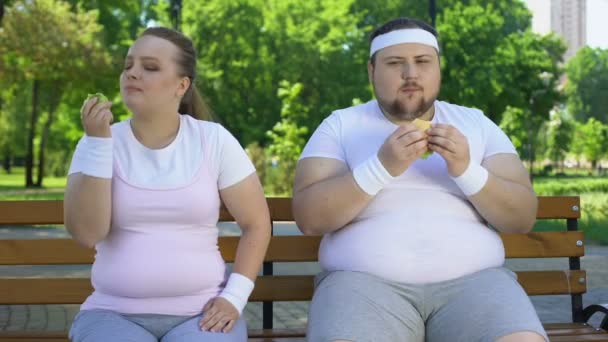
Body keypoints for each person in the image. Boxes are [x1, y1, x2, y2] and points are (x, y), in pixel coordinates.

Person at [293, 17, 546, 342]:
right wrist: (380, 167)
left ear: (438, 68)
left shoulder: (477, 124)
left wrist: (467, 170)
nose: (411, 74)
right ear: (371, 70)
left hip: (476, 285)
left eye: (423, 62)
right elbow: (310, 217)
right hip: (361, 286)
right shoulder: (340, 125)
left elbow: (522, 217)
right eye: (395, 63)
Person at [64, 27, 270, 342]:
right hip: (111, 315)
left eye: (149, 67)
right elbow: (87, 233)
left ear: (181, 85)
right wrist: (98, 144)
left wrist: (235, 297)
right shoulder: (97, 143)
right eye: (128, 65)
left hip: (202, 317)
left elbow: (257, 223)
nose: (132, 73)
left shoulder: (213, 140)